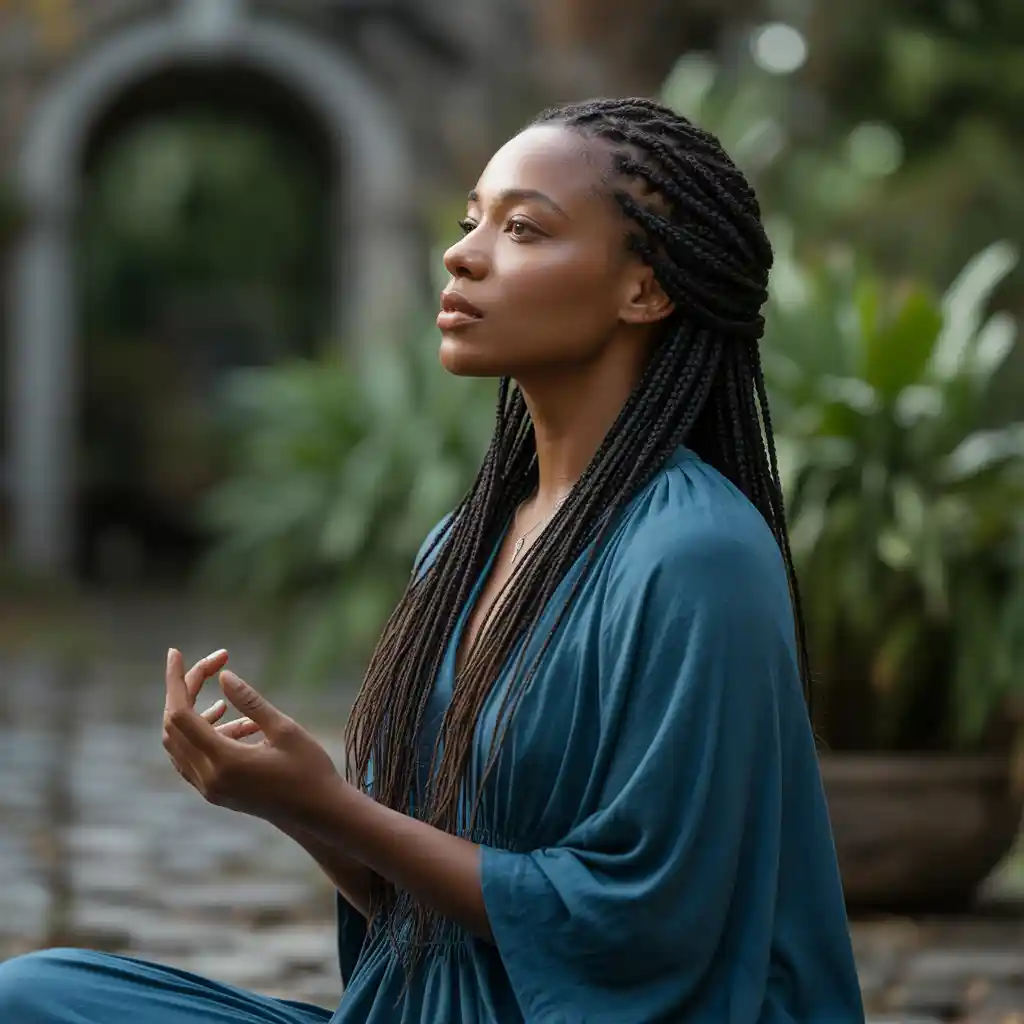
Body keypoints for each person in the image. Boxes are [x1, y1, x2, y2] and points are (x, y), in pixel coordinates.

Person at [0, 98, 866, 1023]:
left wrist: (337, 805)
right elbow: (427, 920)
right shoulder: (462, 545)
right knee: (37, 995)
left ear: (646, 289)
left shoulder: (697, 555)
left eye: (524, 228)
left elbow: (645, 934)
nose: (464, 254)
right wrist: (293, 805)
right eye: (471, 222)